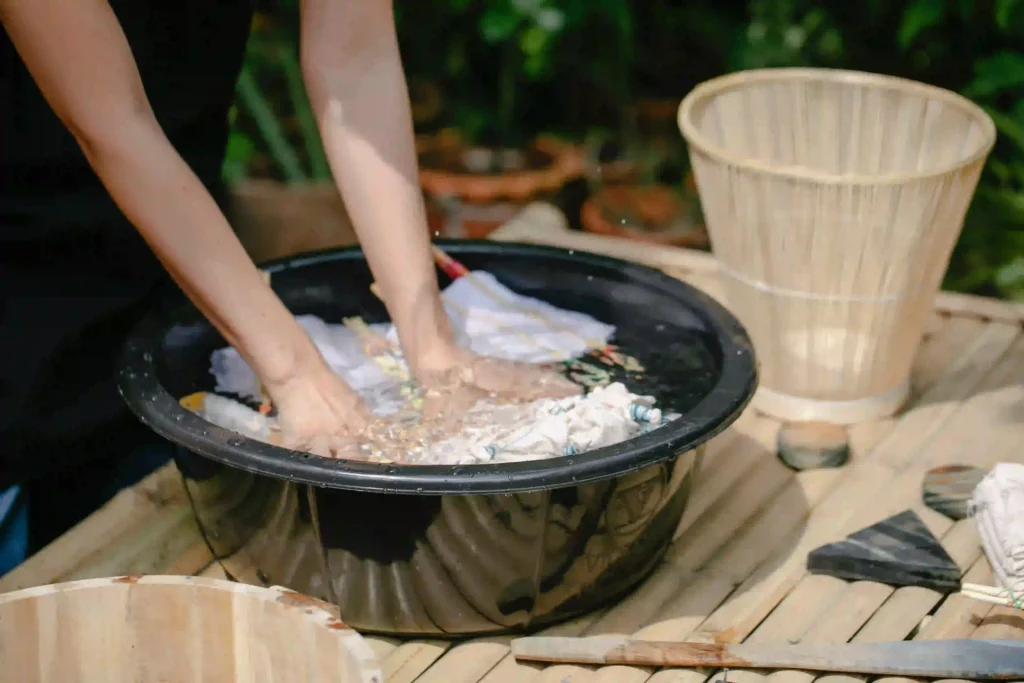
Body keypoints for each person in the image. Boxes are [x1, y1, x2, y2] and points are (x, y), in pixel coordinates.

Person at [0, 0, 575, 570]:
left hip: (170, 257)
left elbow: (356, 56)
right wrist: (297, 374)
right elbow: (111, 121)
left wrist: (431, 344)